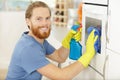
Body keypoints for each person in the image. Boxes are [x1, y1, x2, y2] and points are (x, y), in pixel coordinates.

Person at [6, 1, 98, 80]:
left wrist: (68, 41)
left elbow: (59, 57)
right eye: (39, 19)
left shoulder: (37, 40)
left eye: (47, 18)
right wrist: (88, 54)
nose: (45, 23)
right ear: (28, 21)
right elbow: (62, 76)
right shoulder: (28, 48)